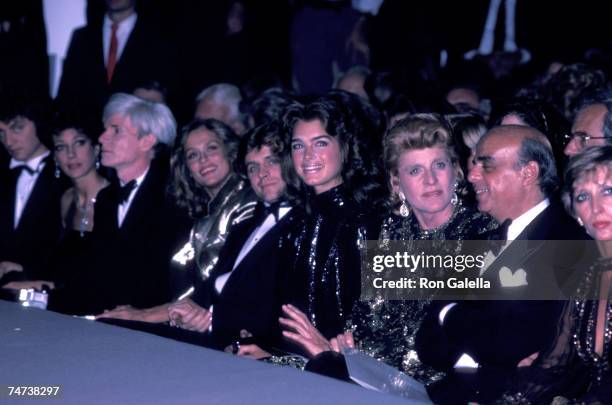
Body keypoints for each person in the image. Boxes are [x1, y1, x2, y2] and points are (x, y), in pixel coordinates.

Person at [278, 114, 495, 382]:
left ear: (456, 171)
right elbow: (367, 317)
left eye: (439, 165)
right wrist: (346, 345)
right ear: (396, 182)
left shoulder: (482, 233)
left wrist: (339, 358)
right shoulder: (391, 233)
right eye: (415, 171)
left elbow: (430, 347)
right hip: (377, 376)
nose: (430, 180)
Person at [415, 125, 591, 403]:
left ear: (528, 173)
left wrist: (447, 313)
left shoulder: (568, 241)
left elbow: (513, 342)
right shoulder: (478, 240)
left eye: (486, 165)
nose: (472, 176)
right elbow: (426, 344)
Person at [97, 118, 256, 323]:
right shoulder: (198, 214)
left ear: (231, 151)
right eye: (193, 155)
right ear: (186, 167)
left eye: (212, 148)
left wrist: (148, 315)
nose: (203, 160)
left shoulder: (249, 203)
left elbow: (224, 283)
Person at [48, 93, 189, 315]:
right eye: (105, 130)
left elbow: (169, 279)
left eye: (115, 130)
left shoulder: (172, 198)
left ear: (147, 141)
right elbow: (98, 271)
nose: (102, 138)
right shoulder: (107, 198)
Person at [166, 121, 299, 351]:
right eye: (253, 168)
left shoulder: (316, 223)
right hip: (221, 347)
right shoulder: (246, 227)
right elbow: (214, 295)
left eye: (272, 161)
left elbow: (369, 319)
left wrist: (276, 352)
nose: (263, 174)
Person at [501, 145, 612, 404]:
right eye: (583, 197)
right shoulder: (587, 276)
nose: (595, 207)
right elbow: (556, 363)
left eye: (608, 191)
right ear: (575, 213)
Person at [56, 0, 174, 118]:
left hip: (133, 130)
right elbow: (67, 94)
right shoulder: (82, 37)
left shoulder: (157, 39)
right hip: (85, 130)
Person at [0, 96, 67, 284]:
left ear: (38, 122)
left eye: (16, 128)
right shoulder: (4, 174)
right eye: (1, 132)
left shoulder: (66, 173)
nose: (8, 141)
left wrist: (27, 269)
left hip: (44, 287)